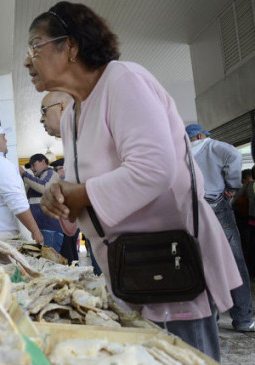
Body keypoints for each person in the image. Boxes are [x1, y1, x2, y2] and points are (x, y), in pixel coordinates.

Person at [27, 2, 243, 360]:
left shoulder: (123, 80)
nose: (27, 60)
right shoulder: (73, 115)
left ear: (72, 47)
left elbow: (154, 168)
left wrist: (79, 193)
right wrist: (59, 196)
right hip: (127, 269)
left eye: (36, 46)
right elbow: (88, 189)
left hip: (167, 264)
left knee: (185, 355)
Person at [186, 123, 255, 333]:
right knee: (234, 261)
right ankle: (243, 318)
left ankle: (210, 316)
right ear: (200, 135)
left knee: (202, 262)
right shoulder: (213, 145)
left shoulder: (181, 152)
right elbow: (234, 155)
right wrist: (232, 185)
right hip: (217, 206)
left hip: (192, 209)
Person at [21, 153, 64, 252]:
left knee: (50, 262)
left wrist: (24, 174)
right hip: (40, 229)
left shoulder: (51, 173)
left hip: (50, 229)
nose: (32, 168)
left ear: (43, 162)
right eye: (30, 166)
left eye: (33, 164)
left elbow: (44, 187)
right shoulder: (35, 180)